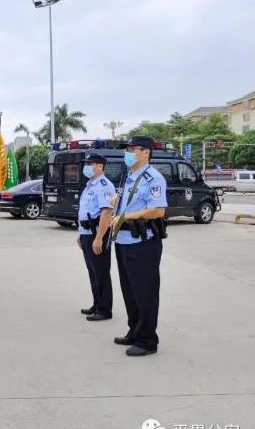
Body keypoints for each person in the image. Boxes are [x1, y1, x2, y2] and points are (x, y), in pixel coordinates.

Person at [110, 136, 167, 357]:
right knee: (130, 291)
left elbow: (158, 210)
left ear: (146, 153)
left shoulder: (154, 178)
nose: (129, 153)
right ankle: (134, 331)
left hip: (143, 244)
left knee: (145, 293)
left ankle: (147, 340)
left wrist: (125, 216)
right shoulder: (129, 177)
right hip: (124, 241)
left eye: (134, 149)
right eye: (129, 149)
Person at [76, 153, 115, 322]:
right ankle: (97, 303)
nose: (86, 166)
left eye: (90, 163)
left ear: (100, 166)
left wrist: (99, 238)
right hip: (86, 233)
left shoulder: (104, 185)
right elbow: (86, 211)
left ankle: (105, 309)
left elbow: (106, 212)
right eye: (86, 163)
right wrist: (81, 234)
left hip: (97, 233)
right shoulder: (90, 185)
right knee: (92, 271)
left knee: (101, 271)